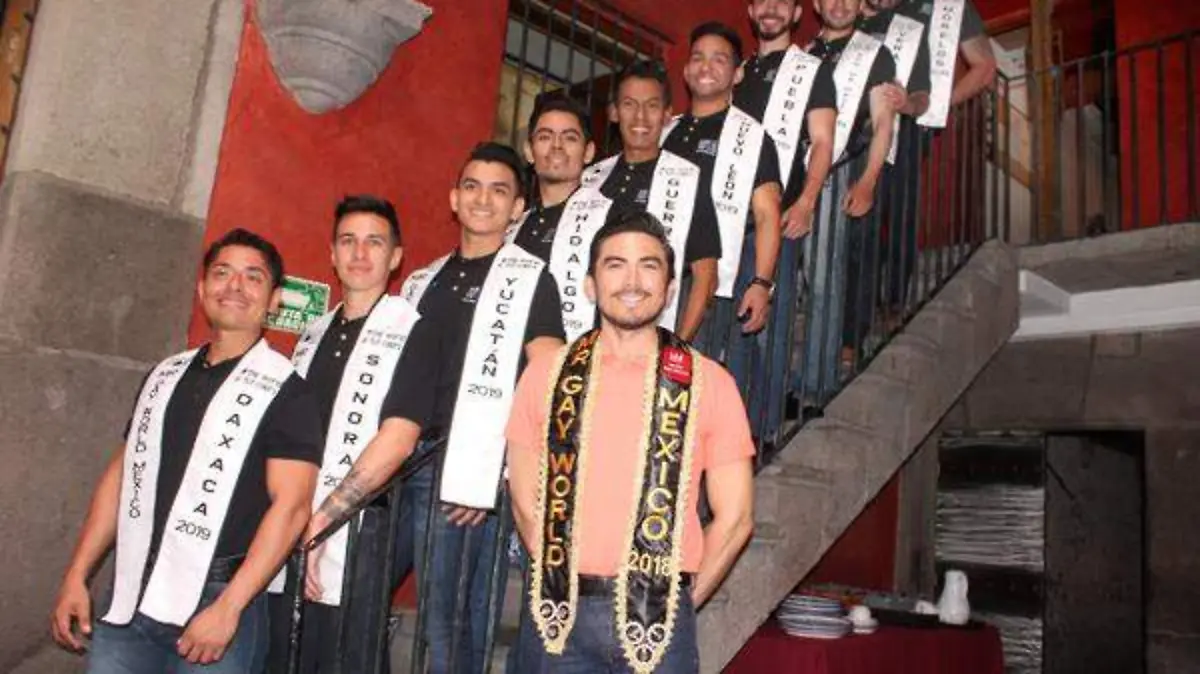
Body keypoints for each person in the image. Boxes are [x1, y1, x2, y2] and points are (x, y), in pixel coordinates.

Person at [305, 142, 566, 674]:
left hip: (465, 466)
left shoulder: (531, 278)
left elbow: (549, 377)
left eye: (499, 190)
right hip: (398, 463)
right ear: (454, 198)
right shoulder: (422, 280)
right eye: (472, 186)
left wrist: (499, 470)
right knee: (358, 595)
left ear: (518, 207)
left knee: (445, 624)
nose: (483, 199)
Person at [51, 228, 323, 673]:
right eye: (222, 273)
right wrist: (77, 574)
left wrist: (229, 607)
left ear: (274, 299)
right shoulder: (165, 375)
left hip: (218, 602)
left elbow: (292, 507)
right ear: (202, 289)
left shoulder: (289, 391)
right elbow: (123, 475)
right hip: (132, 593)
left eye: (253, 277)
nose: (235, 286)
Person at [507, 212, 756, 673]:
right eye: (615, 264)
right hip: (556, 619)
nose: (633, 281)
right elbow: (525, 501)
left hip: (660, 622)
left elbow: (737, 517)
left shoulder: (710, 382)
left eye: (649, 265)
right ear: (590, 284)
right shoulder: (545, 375)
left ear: (670, 288)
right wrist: (559, 578)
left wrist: (677, 604)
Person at [264, 196, 421, 673]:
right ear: (332, 254)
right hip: (292, 514)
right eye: (348, 241)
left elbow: (399, 437)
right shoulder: (313, 333)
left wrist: (323, 521)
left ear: (395, 257)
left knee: (343, 656)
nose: (360, 253)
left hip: (363, 527)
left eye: (374, 242)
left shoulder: (414, 329)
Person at [734, 0, 839, 443]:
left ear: (797, 14)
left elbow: (822, 141)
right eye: (764, 0)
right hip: (729, 220)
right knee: (735, 328)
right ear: (751, 10)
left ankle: (766, 430)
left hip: (777, 218)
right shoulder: (738, 72)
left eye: (783, 2)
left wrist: (807, 201)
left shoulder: (811, 71)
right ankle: (742, 424)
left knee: (771, 330)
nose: (771, 9)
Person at [663, 21, 783, 373]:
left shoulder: (753, 137)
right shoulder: (666, 131)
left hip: (710, 284)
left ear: (737, 73)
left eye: (719, 59)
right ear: (686, 70)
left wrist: (761, 283)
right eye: (698, 57)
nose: (706, 66)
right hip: (655, 276)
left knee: (687, 380)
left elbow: (767, 214)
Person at [804, 0, 904, 402]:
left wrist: (868, 180)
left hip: (837, 170)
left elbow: (883, 123)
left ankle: (819, 381)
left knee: (824, 280)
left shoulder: (873, 53)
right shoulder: (805, 54)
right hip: (794, 175)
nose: (840, 4)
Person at [581, 60, 722, 342]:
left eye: (652, 106)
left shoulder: (687, 179)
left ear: (667, 114)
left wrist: (676, 347)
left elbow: (706, 277)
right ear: (614, 112)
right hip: (588, 338)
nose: (640, 117)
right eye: (630, 104)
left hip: (652, 341)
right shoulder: (591, 179)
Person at [508, 93, 612, 341]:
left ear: (588, 152)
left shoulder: (610, 221)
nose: (556, 146)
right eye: (545, 137)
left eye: (569, 137)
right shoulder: (512, 229)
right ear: (529, 151)